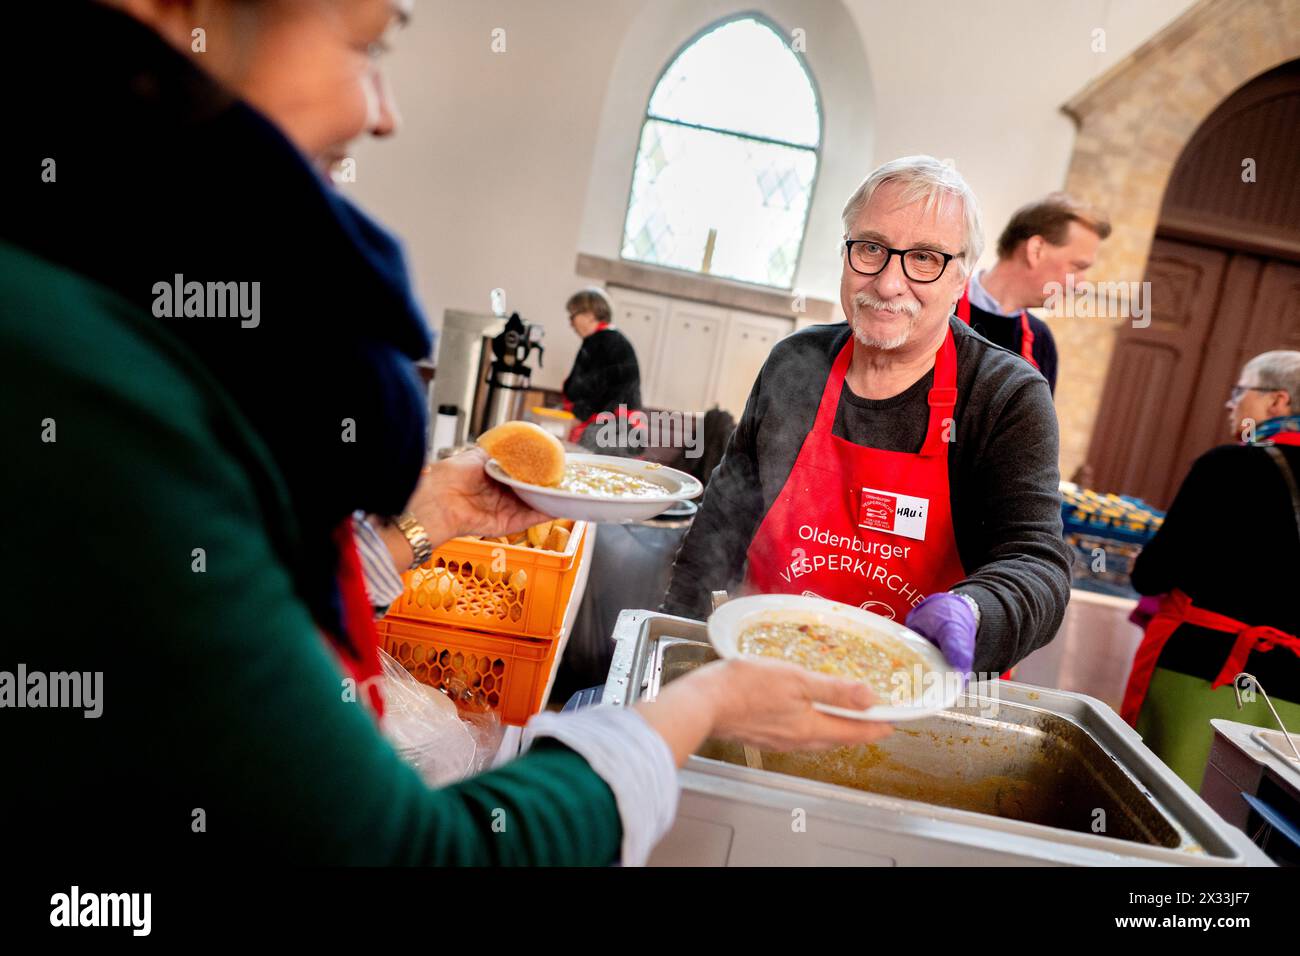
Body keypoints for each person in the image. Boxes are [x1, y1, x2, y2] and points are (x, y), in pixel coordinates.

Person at [0, 0, 894, 865]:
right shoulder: (83, 380)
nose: (381, 112)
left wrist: (425, 523)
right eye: (369, 45)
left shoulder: (108, 300)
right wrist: (698, 707)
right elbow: (409, 852)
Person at [664, 156, 1072, 678]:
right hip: (760, 670)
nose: (887, 283)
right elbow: (723, 520)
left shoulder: (1004, 397)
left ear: (961, 277)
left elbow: (1037, 563)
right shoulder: (795, 365)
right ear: (845, 252)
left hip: (916, 697)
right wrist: (673, 644)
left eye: (924, 258)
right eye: (871, 249)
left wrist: (974, 611)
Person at [1125, 350, 1300, 787]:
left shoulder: (1229, 465)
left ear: (1279, 402)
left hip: (1201, 671)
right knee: (1257, 826)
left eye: (1241, 391)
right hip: (1294, 689)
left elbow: (1152, 574)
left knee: (1170, 808)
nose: (1231, 403)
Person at [956, 193, 1112, 394]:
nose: (1081, 286)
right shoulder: (941, 308)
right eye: (1077, 267)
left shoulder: (1041, 342)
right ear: (1036, 250)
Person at [561, 287, 644, 449]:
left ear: (590, 315)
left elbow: (596, 391)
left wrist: (577, 417)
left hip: (612, 430)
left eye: (573, 315)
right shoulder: (608, 339)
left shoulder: (602, 342)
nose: (570, 322)